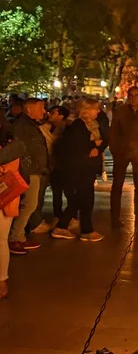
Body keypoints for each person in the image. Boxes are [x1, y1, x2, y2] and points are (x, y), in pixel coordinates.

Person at [52, 98, 106, 242]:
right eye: (95, 109)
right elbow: (74, 147)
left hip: (86, 168)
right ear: (86, 110)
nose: (98, 111)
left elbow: (100, 142)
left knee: (86, 200)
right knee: (80, 199)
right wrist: (92, 146)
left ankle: (85, 230)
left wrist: (97, 146)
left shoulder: (91, 125)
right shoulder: (78, 126)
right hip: (78, 169)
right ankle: (64, 227)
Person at [109, 86, 138, 228]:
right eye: (131, 95)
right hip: (122, 152)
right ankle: (115, 217)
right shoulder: (121, 112)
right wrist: (115, 150)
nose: (134, 97)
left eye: (137, 95)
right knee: (117, 185)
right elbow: (114, 132)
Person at [8, 99, 49, 254]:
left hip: (34, 170)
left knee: (29, 204)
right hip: (28, 171)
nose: (44, 111)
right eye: (40, 108)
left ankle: (19, 236)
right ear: (29, 110)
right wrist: (26, 171)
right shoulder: (22, 127)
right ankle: (15, 237)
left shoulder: (29, 125)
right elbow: (20, 150)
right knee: (29, 204)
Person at [29, 105, 69, 235]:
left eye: (53, 112)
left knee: (62, 193)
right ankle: (37, 222)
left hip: (60, 166)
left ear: (61, 115)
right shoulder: (44, 128)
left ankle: (62, 217)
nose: (48, 114)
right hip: (47, 166)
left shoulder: (67, 129)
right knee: (40, 195)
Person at [0, 136, 27, 299]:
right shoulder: (14, 145)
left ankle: (2, 279)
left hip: (4, 198)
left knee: (1, 239)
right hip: (6, 198)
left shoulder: (11, 147)